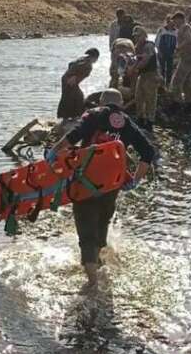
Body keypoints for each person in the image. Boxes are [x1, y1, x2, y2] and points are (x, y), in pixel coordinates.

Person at [45, 89, 156, 286]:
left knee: (86, 232)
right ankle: (99, 264)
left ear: (101, 101)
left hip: (85, 183)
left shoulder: (93, 115)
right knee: (102, 224)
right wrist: (135, 180)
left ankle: (92, 283)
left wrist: (53, 152)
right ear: (120, 104)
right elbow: (148, 153)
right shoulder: (127, 123)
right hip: (111, 186)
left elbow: (73, 136)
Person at [131, 26, 160, 130]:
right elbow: (135, 59)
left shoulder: (148, 46)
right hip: (142, 75)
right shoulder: (138, 46)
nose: (136, 38)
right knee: (139, 97)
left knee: (150, 99)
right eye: (135, 36)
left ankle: (149, 121)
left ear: (144, 35)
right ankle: (140, 118)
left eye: (138, 36)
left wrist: (133, 68)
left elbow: (144, 61)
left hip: (151, 75)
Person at [57, 48, 100, 120]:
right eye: (97, 58)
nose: (96, 60)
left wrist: (73, 76)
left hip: (68, 79)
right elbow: (74, 66)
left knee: (71, 96)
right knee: (75, 97)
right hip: (70, 80)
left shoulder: (83, 59)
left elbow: (70, 63)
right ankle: (72, 116)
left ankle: (69, 116)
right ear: (94, 57)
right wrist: (73, 76)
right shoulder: (87, 63)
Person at [169, 11, 191, 107]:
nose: (174, 23)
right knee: (187, 82)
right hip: (190, 57)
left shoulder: (185, 27)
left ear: (180, 19)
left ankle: (177, 102)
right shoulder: (184, 28)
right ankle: (189, 102)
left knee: (177, 81)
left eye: (175, 20)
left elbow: (188, 39)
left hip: (188, 58)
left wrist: (178, 48)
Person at [155, 15, 177, 83]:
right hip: (162, 52)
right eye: (171, 21)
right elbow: (157, 42)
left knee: (170, 69)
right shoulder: (162, 30)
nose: (172, 24)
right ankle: (161, 84)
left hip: (171, 53)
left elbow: (177, 43)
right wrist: (159, 51)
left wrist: (175, 53)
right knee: (161, 69)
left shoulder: (176, 32)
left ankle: (168, 83)